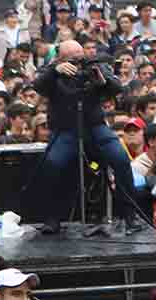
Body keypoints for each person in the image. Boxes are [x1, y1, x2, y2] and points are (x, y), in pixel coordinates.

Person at [23, 40, 148, 233]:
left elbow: (117, 89)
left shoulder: (94, 65)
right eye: (73, 60)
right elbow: (38, 86)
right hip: (65, 130)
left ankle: (129, 216)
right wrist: (55, 70)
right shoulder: (52, 69)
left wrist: (102, 80)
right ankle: (53, 217)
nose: (78, 63)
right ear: (61, 57)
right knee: (52, 164)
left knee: (120, 159)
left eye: (81, 57)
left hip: (95, 127)